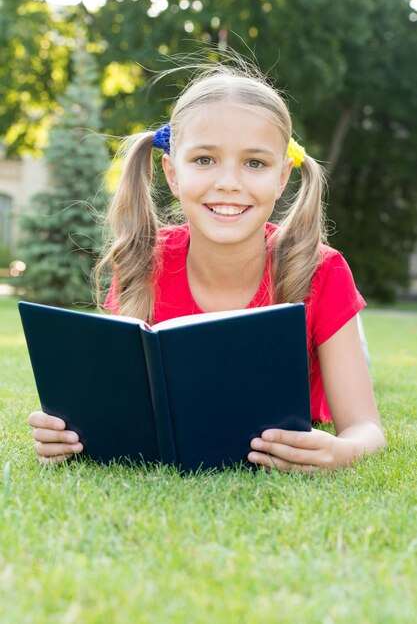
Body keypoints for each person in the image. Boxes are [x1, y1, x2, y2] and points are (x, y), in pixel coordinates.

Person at [28, 62, 385, 471]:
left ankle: (349, 339)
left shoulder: (322, 269)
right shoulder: (143, 261)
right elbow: (109, 404)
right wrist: (64, 433)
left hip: (322, 334)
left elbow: (366, 429)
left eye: (255, 163)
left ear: (282, 176)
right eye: (204, 160)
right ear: (172, 172)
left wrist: (342, 451)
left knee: (344, 348)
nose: (228, 182)